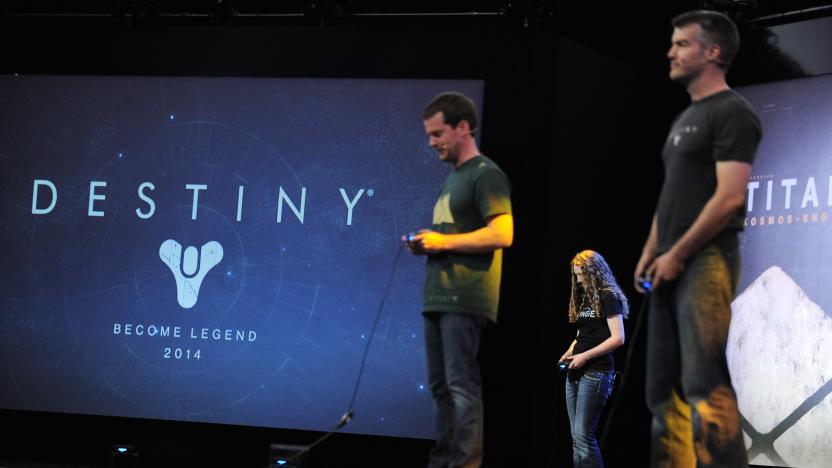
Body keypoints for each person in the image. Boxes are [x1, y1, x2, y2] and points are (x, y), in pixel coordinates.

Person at [634, 10, 762, 467]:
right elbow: (672, 195)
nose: (670, 51)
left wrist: (679, 253)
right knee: (661, 393)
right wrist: (652, 251)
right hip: (670, 265)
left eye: (682, 44)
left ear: (712, 52)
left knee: (704, 384)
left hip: (706, 262)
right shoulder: (684, 118)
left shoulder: (732, 113)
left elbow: (728, 199)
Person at [405, 91, 513, 468]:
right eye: (429, 135)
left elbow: (503, 234)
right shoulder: (454, 179)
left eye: (437, 134)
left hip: (465, 298)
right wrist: (428, 245)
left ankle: (465, 463)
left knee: (460, 386)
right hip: (438, 297)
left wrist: (442, 241)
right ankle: (443, 461)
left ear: (463, 128)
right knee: (440, 387)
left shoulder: (486, 175)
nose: (432, 143)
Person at [559, 250, 628, 468]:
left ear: (594, 272)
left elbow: (618, 338)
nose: (578, 281)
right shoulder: (585, 298)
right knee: (576, 440)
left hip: (596, 372)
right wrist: (570, 352)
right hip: (575, 370)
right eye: (576, 276)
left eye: (581, 275)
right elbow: (583, 334)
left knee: (584, 437)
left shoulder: (608, 295)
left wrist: (585, 356)